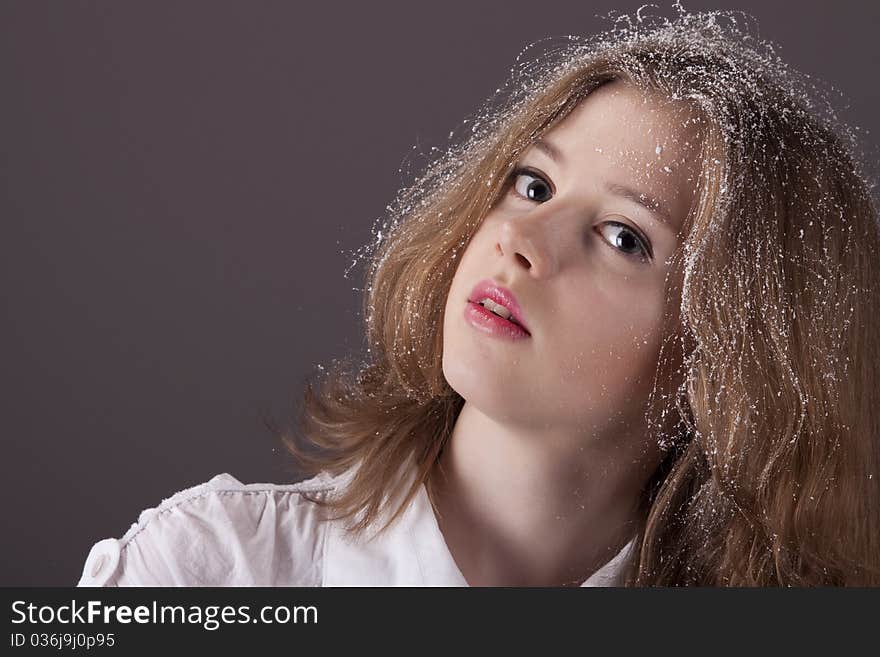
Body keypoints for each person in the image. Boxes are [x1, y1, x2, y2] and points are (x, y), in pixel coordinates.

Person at [78, 7, 880, 587]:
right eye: (532, 183)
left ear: (729, 362)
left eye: (624, 236)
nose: (521, 240)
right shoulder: (206, 571)